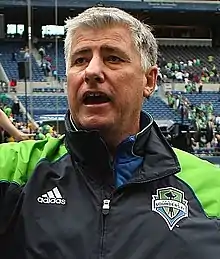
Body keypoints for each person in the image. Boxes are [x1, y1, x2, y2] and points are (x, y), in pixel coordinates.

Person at [0, 7, 220, 259]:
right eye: (80, 60)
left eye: (113, 58)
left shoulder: (211, 188)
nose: (91, 71)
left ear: (149, 81)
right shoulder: (15, 170)